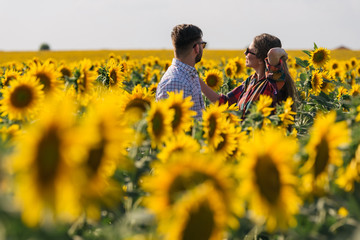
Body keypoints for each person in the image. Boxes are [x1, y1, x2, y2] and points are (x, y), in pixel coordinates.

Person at [199, 33, 297, 118]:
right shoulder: (250, 81)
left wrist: (281, 54)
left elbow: (274, 53)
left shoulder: (272, 84)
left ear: (260, 59)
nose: (244, 53)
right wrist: (198, 80)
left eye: (248, 51)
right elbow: (226, 102)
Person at [156, 24, 206, 119]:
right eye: (202, 45)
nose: (203, 49)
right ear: (196, 48)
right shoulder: (175, 82)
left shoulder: (188, 75)